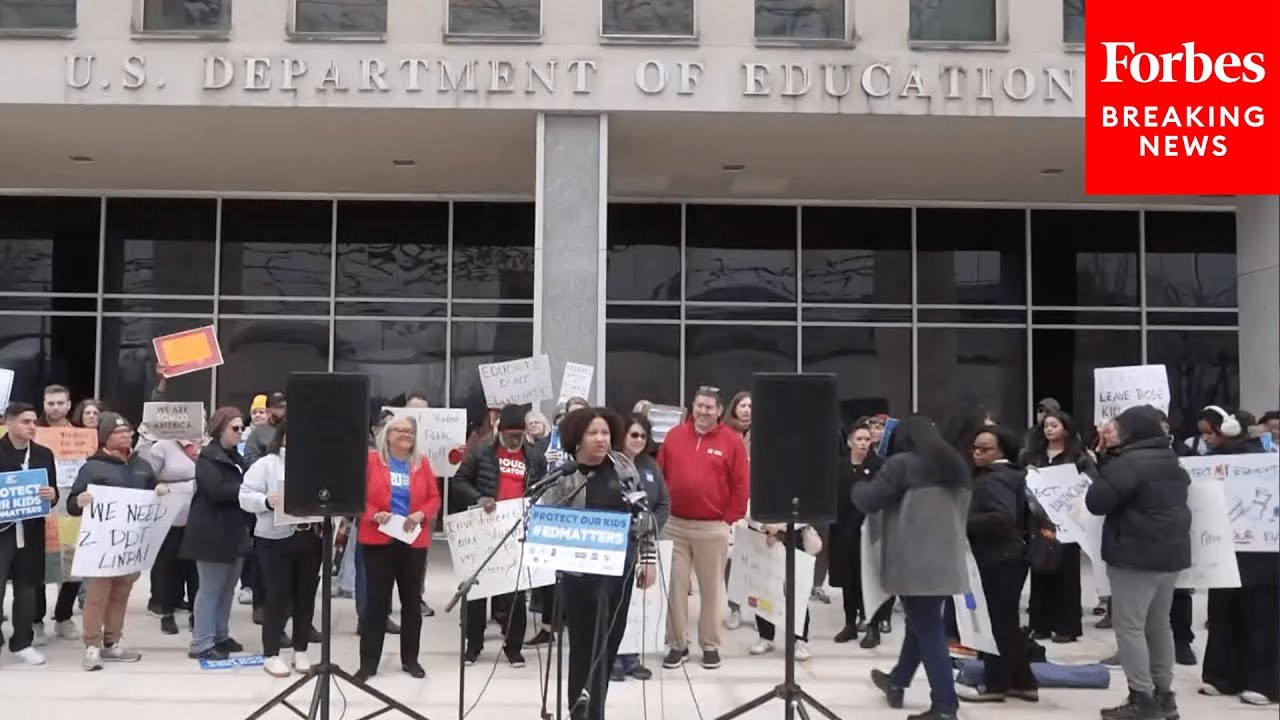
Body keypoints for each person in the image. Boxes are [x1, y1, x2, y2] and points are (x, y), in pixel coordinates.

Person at [538, 406, 659, 720]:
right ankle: (577, 712)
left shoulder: (623, 468)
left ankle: (596, 712)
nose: (601, 438)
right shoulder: (565, 474)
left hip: (619, 572)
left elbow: (643, 517)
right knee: (582, 648)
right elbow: (547, 518)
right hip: (579, 576)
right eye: (593, 432)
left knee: (607, 647)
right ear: (578, 436)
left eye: (605, 432)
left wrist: (647, 558)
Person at [853, 414, 971, 720]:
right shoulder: (956, 467)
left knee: (929, 630)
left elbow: (868, 499)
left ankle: (945, 706)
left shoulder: (902, 464)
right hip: (947, 562)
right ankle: (898, 681)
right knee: (922, 624)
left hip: (913, 563)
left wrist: (857, 481)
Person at [1086, 405, 1192, 720]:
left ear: (1133, 431)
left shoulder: (1129, 463)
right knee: (1159, 625)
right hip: (1170, 555)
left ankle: (1141, 697)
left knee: (1129, 627)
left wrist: (1103, 459)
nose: (1112, 431)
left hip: (1134, 554)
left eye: (1119, 426)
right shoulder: (1170, 458)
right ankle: (1164, 695)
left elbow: (1097, 501)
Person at [657, 386, 750, 671]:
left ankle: (710, 645)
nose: (703, 411)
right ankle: (677, 644)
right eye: (699, 405)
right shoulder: (674, 437)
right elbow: (661, 476)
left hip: (712, 527)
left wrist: (728, 519)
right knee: (675, 588)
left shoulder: (731, 441)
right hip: (675, 525)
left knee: (711, 590)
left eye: (709, 407)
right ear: (692, 406)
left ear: (720, 411)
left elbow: (741, 483)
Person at [66, 411, 160, 671]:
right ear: (106, 438)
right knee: (97, 596)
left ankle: (112, 642)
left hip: (129, 546)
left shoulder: (142, 465)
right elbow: (71, 504)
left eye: (128, 431)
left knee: (121, 595)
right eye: (119, 432)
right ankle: (91, 646)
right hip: (100, 546)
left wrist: (159, 491)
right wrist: (80, 500)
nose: (126, 435)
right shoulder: (92, 467)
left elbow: (152, 493)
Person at [1197, 405, 1278, 706]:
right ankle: (1221, 676)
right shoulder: (1210, 461)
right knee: (1221, 612)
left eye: (1210, 432)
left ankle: (1263, 682)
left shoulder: (1266, 460)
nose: (1206, 439)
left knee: (1260, 615)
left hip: (1263, 550)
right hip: (1223, 546)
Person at [451, 404, 541, 666]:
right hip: (483, 528)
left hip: (516, 530)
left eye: (519, 435)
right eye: (511, 435)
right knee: (478, 591)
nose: (515, 440)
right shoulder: (481, 451)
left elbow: (542, 487)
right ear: (499, 431)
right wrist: (479, 498)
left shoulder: (534, 457)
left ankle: (513, 647)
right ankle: (474, 645)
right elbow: (459, 482)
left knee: (514, 593)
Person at [355, 413, 441, 681]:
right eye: (400, 430)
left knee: (411, 604)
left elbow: (435, 498)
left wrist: (420, 515)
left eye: (410, 432)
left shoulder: (422, 464)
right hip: (378, 540)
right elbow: (356, 497)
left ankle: (410, 660)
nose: (406, 435)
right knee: (376, 604)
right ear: (387, 435)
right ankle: (368, 663)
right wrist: (374, 514)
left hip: (413, 541)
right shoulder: (371, 461)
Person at [958, 426, 1038, 704]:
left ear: (1001, 451)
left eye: (985, 449)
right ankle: (1023, 683)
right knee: (1006, 624)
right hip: (1008, 558)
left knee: (995, 624)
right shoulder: (1008, 475)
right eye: (975, 447)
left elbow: (1002, 518)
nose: (977, 453)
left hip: (999, 559)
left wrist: (962, 523)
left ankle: (995, 685)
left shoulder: (995, 479)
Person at [239, 417, 323, 678]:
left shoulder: (317, 465)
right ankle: (272, 653)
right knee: (277, 596)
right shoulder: (266, 464)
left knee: (306, 595)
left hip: (310, 536)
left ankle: (300, 649)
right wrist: (266, 500)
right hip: (274, 538)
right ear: (283, 436)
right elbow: (244, 496)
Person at [1020, 409, 1096, 644]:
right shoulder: (1033, 456)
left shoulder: (1079, 457)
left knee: (1067, 574)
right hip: (1039, 521)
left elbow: (1090, 483)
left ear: (1066, 428)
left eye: (1054, 425)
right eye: (1046, 426)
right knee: (1040, 572)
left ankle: (1067, 627)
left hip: (1068, 522)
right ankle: (1040, 625)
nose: (1049, 429)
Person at [183, 407, 251, 662]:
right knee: (210, 588)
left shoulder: (235, 457)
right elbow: (216, 490)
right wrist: (247, 490)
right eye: (235, 428)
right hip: (211, 532)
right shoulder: (208, 458)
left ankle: (220, 634)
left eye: (241, 428)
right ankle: (201, 641)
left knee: (227, 588)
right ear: (221, 428)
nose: (240, 432)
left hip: (233, 530)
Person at [611, 413, 671, 682]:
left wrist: (651, 524)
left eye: (643, 436)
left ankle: (631, 656)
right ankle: (610, 656)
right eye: (633, 434)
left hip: (641, 543)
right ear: (622, 434)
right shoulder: (608, 464)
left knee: (634, 603)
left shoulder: (650, 466)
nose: (638, 440)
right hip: (613, 546)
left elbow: (663, 504)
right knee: (614, 604)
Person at [0, 402, 59, 666]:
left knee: (27, 588)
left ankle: (22, 641)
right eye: (25, 421)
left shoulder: (44, 454)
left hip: (32, 530)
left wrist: (52, 495)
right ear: (9, 422)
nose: (32, 427)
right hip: (3, 532)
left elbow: (53, 492)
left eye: (34, 421)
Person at [830, 420, 885, 645]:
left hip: (867, 530)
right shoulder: (839, 465)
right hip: (842, 531)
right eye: (859, 439)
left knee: (868, 580)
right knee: (848, 580)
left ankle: (872, 625)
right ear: (850, 441)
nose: (863, 443)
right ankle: (850, 624)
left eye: (867, 439)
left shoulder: (879, 465)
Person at [748, 522, 821, 661]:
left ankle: (799, 639)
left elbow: (807, 506)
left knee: (797, 589)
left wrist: (781, 528)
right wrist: (763, 526)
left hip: (794, 533)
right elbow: (748, 506)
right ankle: (766, 635)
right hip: (762, 533)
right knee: (763, 588)